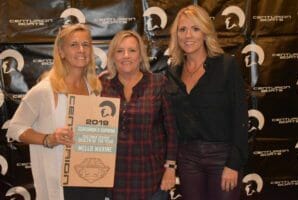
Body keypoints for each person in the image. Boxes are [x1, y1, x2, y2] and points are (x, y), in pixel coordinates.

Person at [6, 24, 106, 200]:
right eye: (74, 45)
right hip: (60, 185)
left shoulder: (94, 89)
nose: (81, 49)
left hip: (91, 179)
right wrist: (48, 139)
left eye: (86, 44)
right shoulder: (45, 90)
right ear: (61, 52)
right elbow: (14, 129)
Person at [166, 5, 248, 200]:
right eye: (182, 29)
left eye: (195, 28)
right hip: (187, 159)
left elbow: (240, 117)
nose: (188, 35)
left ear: (205, 32)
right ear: (176, 35)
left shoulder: (226, 66)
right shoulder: (173, 71)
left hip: (222, 158)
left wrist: (233, 164)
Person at [100, 30, 178, 200]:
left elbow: (172, 130)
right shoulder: (102, 86)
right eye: (120, 51)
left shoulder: (158, 83)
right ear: (112, 56)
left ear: (141, 55)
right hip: (113, 179)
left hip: (151, 179)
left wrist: (170, 168)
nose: (126, 56)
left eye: (132, 50)